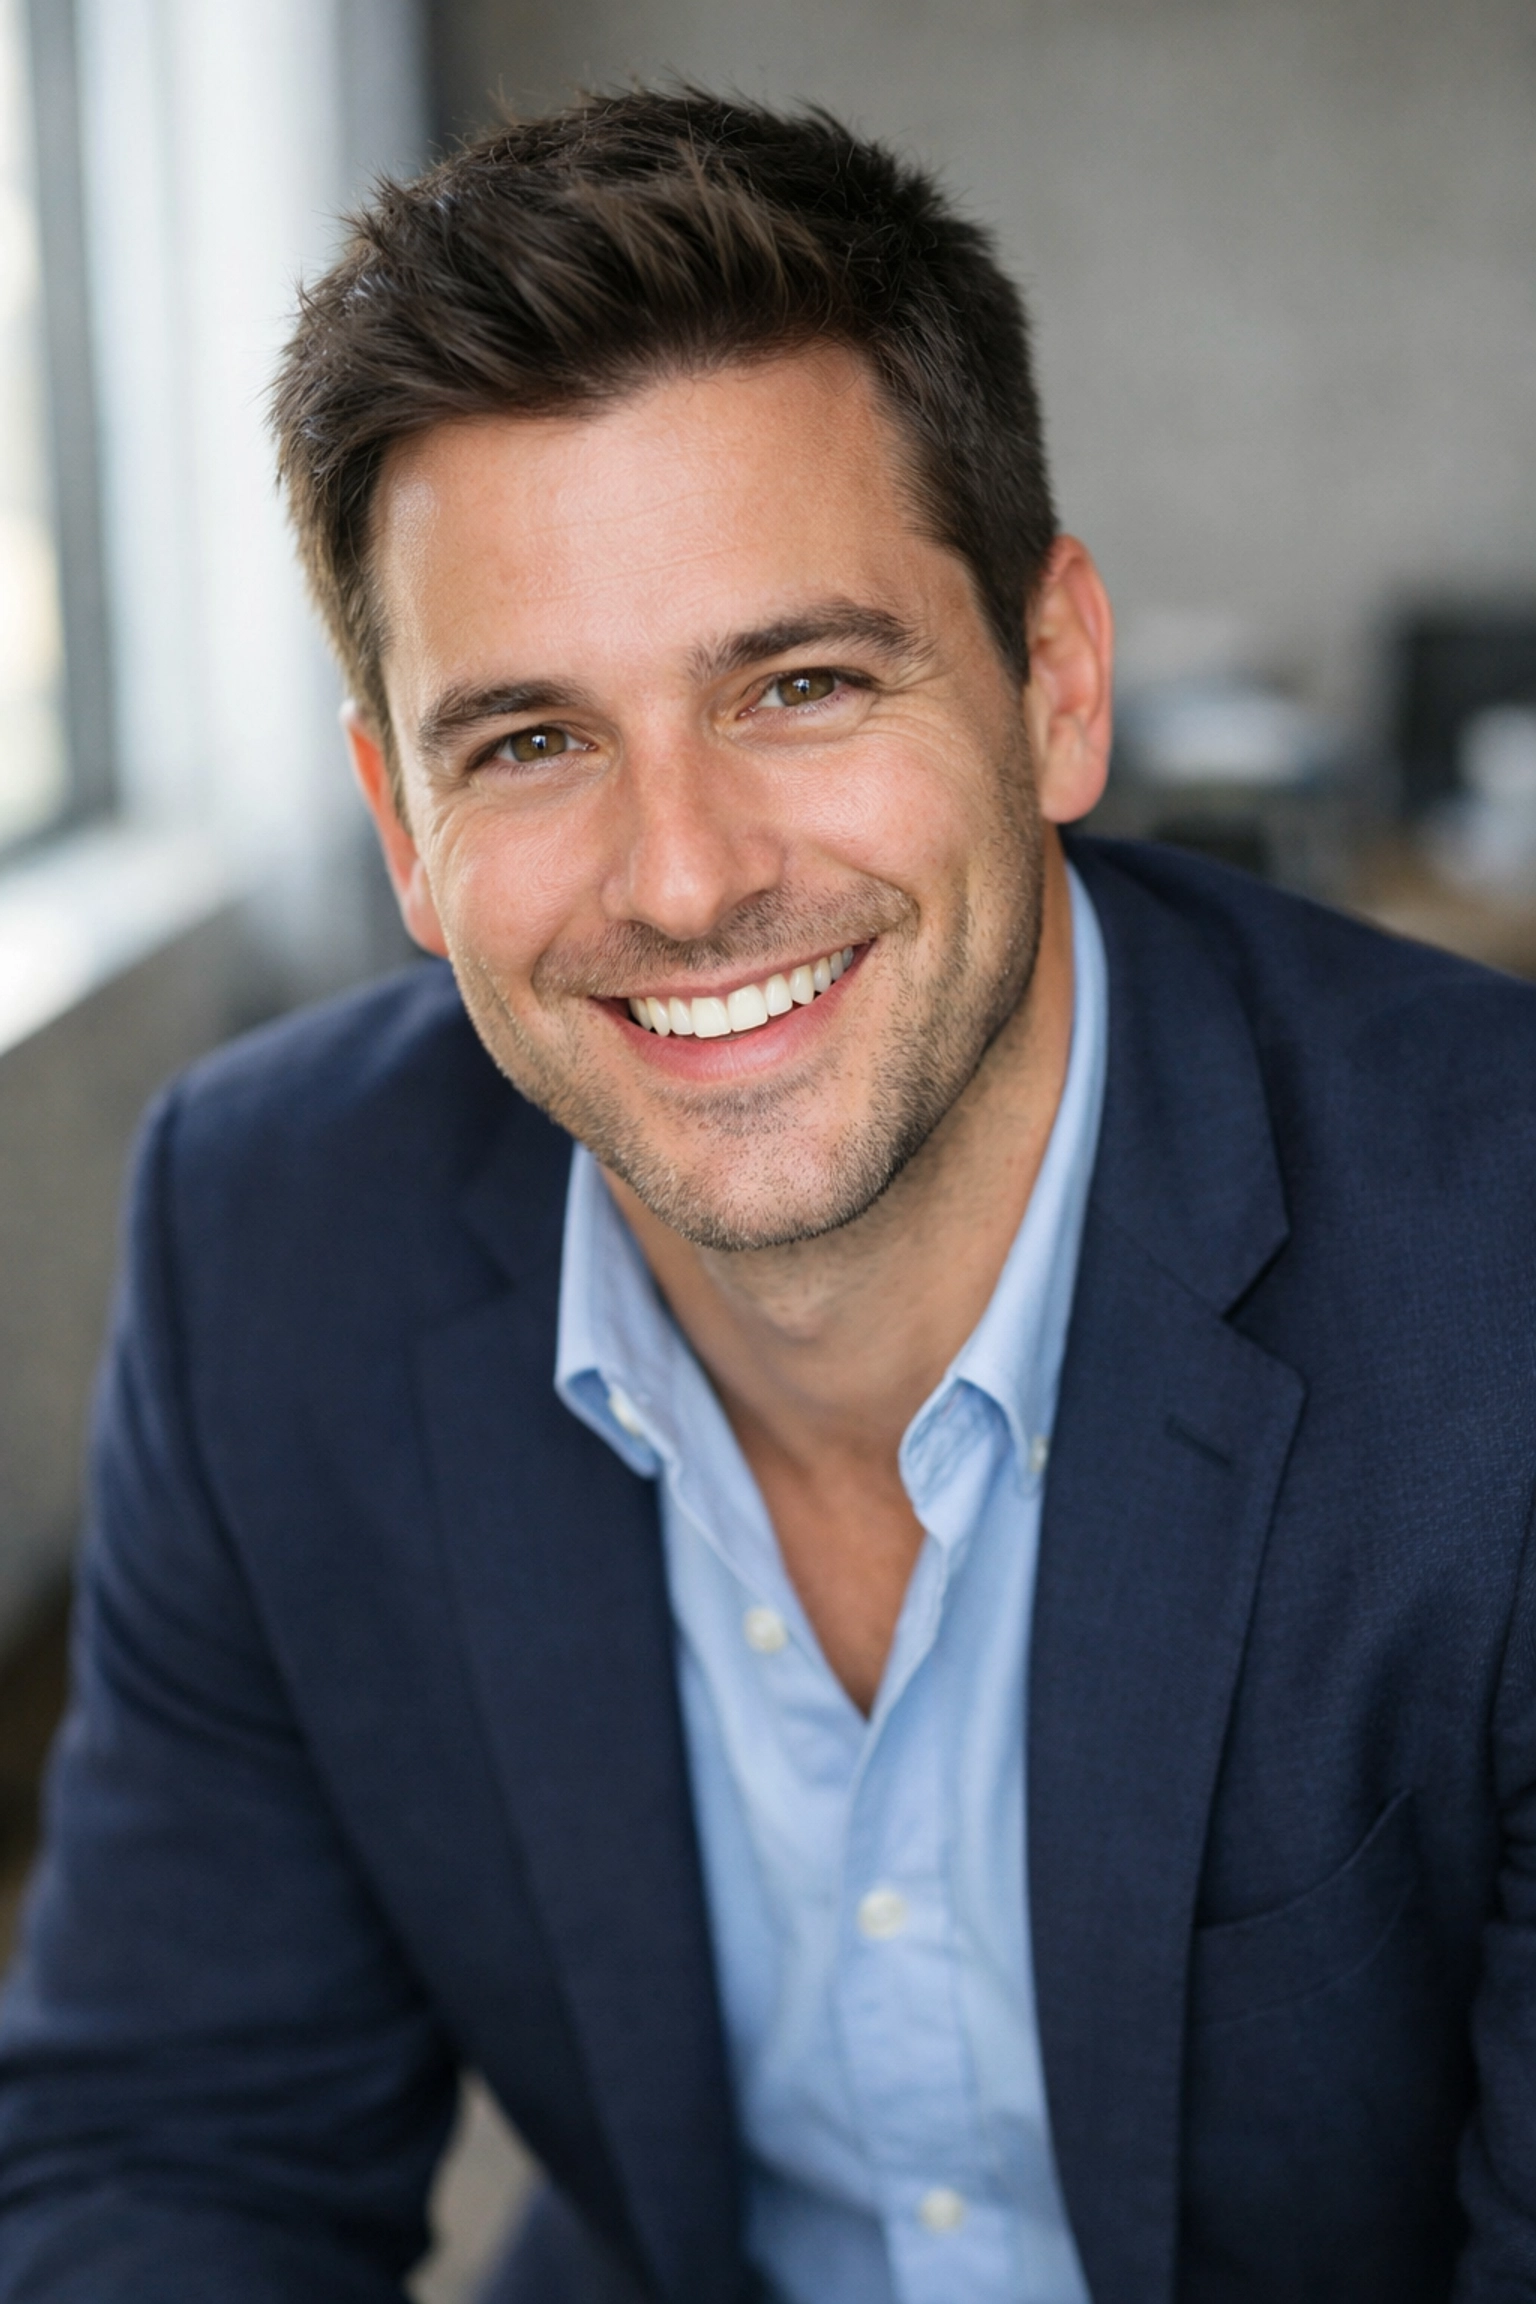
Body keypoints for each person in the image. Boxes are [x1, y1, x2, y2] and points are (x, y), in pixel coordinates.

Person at [1, 86, 1534, 2304]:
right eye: (531, 741)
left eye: (801, 685)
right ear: (401, 826)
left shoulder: (1499, 1274)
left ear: (1056, 681)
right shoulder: (272, 1238)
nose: (687, 876)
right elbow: (177, 2152)